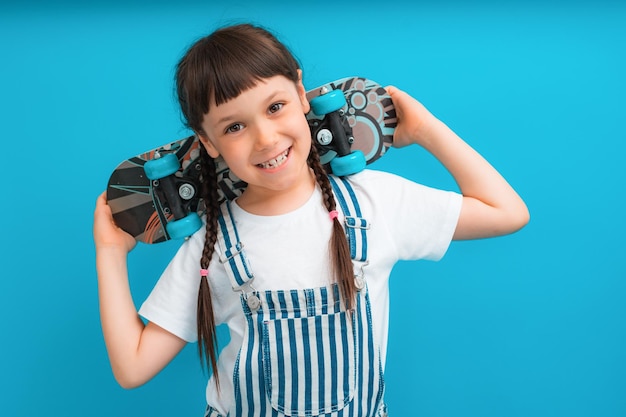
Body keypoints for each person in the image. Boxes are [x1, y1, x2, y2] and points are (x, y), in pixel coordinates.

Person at [93, 23, 529, 417]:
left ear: (302, 94)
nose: (266, 139)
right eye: (234, 128)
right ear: (207, 141)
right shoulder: (214, 246)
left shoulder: (375, 202)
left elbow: (506, 213)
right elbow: (132, 367)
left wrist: (426, 130)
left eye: (276, 106)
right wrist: (110, 254)